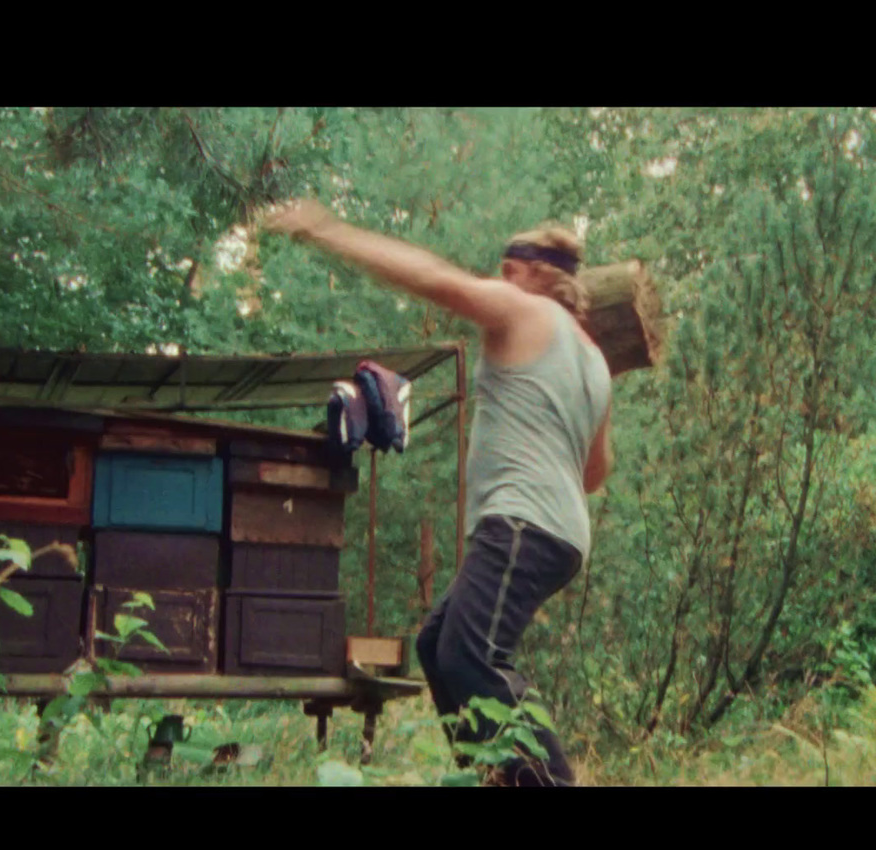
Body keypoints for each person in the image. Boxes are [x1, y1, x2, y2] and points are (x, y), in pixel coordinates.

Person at [258, 198, 612, 786]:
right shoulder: (595, 360)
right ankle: (493, 777)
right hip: (562, 531)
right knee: (436, 642)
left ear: (535, 273)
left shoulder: (522, 308)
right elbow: (595, 472)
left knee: (472, 656)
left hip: (522, 522)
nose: (498, 279)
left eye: (508, 268)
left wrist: (327, 230)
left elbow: (432, 278)